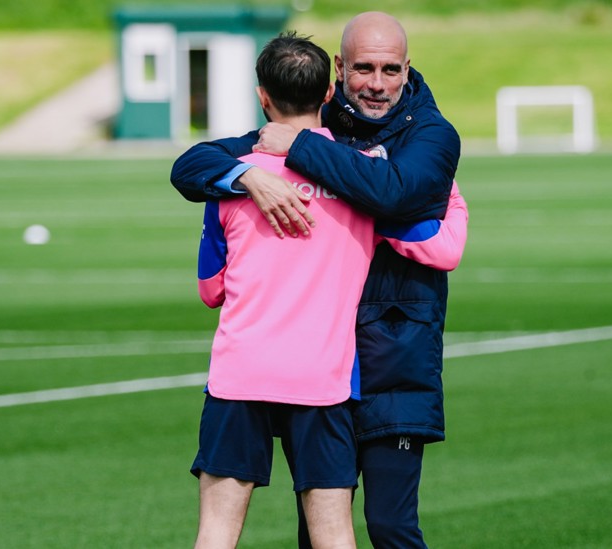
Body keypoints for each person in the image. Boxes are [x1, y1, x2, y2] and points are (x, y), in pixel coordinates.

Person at [172, 12, 461, 548]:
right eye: (365, 69)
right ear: (335, 76)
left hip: (371, 363)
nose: (377, 82)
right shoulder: (338, 166)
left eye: (390, 69)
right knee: (327, 534)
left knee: (384, 525)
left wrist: (281, 160)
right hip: (326, 375)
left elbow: (210, 287)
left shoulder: (431, 135)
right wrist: (248, 173)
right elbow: (439, 242)